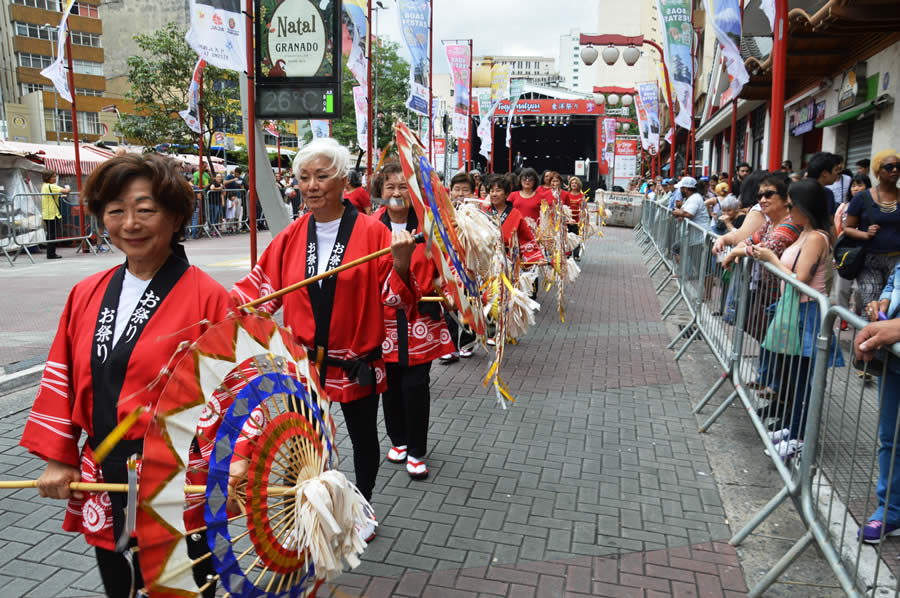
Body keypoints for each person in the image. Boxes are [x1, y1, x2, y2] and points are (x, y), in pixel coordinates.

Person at [21, 154, 233, 597]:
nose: (130, 223)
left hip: (180, 478)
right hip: (104, 471)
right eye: (116, 210)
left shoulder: (209, 298)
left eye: (146, 209)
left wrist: (234, 467)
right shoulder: (87, 293)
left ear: (175, 218)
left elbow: (234, 395)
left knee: (186, 588)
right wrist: (59, 458)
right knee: (118, 585)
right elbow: (61, 376)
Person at [231, 138, 418, 542]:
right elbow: (258, 292)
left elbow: (397, 299)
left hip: (356, 363)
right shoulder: (290, 236)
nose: (311, 185)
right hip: (303, 363)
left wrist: (400, 262)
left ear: (343, 179)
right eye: (303, 178)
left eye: (321, 176)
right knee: (302, 440)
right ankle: (306, 505)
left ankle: (362, 506)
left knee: (364, 439)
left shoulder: (373, 233)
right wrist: (217, 313)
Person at [372, 163, 454, 480]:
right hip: (382, 322)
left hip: (421, 318)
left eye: (403, 186)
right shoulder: (368, 229)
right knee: (389, 385)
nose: (396, 192)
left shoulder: (429, 227)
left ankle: (417, 449)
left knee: (416, 385)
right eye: (389, 186)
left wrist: (451, 295)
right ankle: (399, 440)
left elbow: (446, 269)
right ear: (380, 193)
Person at [749, 179, 842, 459]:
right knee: (797, 376)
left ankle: (800, 436)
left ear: (804, 206)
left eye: (791, 206)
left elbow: (800, 279)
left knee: (805, 378)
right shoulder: (806, 232)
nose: (788, 211)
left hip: (808, 313)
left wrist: (770, 258)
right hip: (794, 310)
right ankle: (794, 427)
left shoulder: (815, 237)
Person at [722, 172, 800, 394]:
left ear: (786, 199)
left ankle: (778, 387)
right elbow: (750, 241)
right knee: (763, 333)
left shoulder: (790, 224)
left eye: (769, 194)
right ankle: (767, 377)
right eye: (760, 195)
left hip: (785, 296)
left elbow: (767, 249)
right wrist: (735, 247)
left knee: (776, 341)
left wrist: (737, 251)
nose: (762, 199)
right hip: (768, 290)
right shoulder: (769, 224)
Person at [859, 261, 900, 542]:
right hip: (894, 360)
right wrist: (881, 303)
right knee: (890, 438)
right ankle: (890, 511)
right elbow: (893, 281)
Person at [843, 149, 900, 315]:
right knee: (872, 306)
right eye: (889, 167)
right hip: (869, 260)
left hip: (897, 262)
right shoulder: (862, 198)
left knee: (893, 307)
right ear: (877, 171)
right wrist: (865, 235)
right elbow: (847, 228)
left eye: (898, 166)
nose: (895, 170)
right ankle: (868, 339)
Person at [441, 173, 478, 361]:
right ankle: (449, 345)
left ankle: (467, 342)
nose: (460, 193)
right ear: (451, 190)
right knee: (449, 302)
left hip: (469, 264)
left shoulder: (477, 213)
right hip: (447, 263)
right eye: (457, 189)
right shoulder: (442, 211)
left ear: (473, 192)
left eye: (465, 190)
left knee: (469, 301)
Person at [41, 171, 70, 259]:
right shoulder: (51, 186)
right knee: (52, 234)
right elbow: (66, 191)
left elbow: (51, 196)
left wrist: (61, 196)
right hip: (51, 214)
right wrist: (68, 186)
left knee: (50, 233)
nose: (55, 178)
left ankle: (50, 252)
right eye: (53, 176)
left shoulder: (45, 186)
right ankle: (51, 254)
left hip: (48, 213)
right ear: (48, 177)